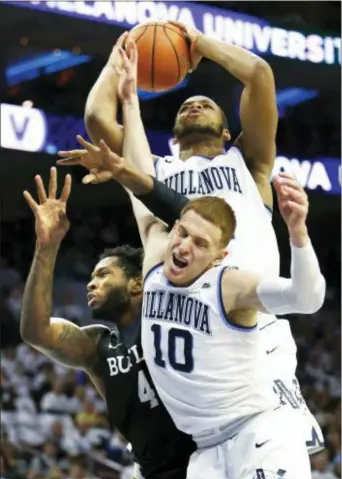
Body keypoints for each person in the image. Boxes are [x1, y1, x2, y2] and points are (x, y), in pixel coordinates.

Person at [57, 29, 324, 455]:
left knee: (273, 455)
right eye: (185, 104)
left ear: (226, 134)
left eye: (205, 104)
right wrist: (120, 60)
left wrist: (199, 44)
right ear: (173, 135)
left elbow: (259, 75)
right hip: (180, 326)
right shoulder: (151, 170)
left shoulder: (249, 163)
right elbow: (96, 118)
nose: (194, 103)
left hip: (252, 325)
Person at [63, 129, 326, 479]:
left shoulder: (229, 285)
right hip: (205, 453)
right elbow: (146, 197)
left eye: (200, 243)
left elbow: (306, 298)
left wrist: (298, 234)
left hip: (260, 437)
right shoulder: (155, 267)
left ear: (220, 255)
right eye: (182, 233)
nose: (184, 246)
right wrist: (123, 157)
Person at [20, 168, 195, 479]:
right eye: (92, 276)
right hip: (159, 477)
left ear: (137, 283)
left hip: (210, 466)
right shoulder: (99, 346)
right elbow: (36, 332)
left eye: (103, 275)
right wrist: (47, 247)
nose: (91, 282)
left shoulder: (172, 318)